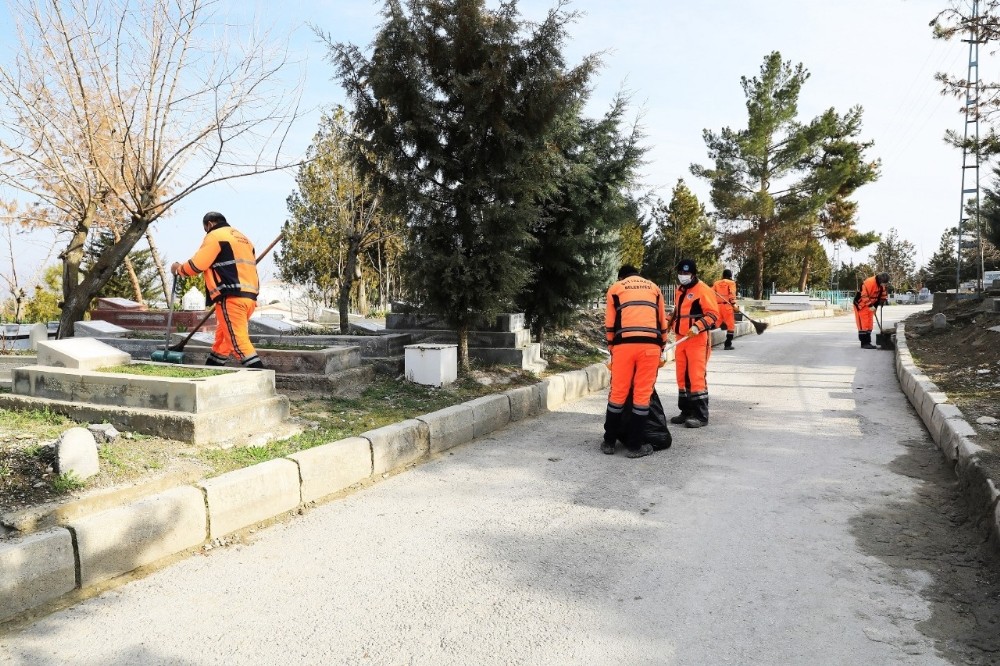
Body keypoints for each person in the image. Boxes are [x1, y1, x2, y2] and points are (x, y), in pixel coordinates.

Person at [171, 212, 264, 369]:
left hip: (231, 297)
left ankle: (264, 377)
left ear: (209, 224)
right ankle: (211, 368)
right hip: (249, 298)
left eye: (205, 228)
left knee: (238, 342)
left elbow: (197, 265)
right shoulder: (244, 238)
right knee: (223, 340)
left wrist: (179, 269)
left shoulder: (215, 236)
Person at [602, 264, 669, 458]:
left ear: (622, 276)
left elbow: (610, 322)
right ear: (638, 275)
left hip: (624, 346)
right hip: (650, 347)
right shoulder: (654, 288)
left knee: (618, 393)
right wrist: (662, 346)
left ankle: (609, 442)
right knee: (642, 396)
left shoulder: (616, 288)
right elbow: (662, 321)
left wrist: (612, 347)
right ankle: (634, 447)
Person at [669, 259, 720, 428]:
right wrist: (667, 323)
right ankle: (686, 411)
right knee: (682, 377)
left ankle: (700, 415)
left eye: (687, 273)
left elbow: (713, 315)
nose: (683, 276)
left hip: (696, 339)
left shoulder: (703, 290)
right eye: (681, 273)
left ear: (693, 274)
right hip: (680, 339)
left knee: (696, 377)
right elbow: (677, 312)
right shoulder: (680, 290)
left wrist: (698, 326)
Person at [853, 272, 889, 349]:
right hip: (861, 305)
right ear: (880, 280)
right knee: (864, 324)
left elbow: (883, 293)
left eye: (885, 284)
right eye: (883, 283)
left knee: (869, 324)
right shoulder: (869, 282)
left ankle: (868, 342)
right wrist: (870, 305)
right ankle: (864, 343)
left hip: (871, 305)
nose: (884, 285)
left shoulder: (881, 284)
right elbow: (864, 295)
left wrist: (883, 300)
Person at [712, 268, 738, 350]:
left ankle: (706, 342)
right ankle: (728, 344)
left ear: (723, 275)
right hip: (727, 307)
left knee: (715, 323)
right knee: (730, 326)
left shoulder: (716, 283)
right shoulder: (731, 283)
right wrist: (734, 304)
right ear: (730, 276)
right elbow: (732, 293)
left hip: (717, 306)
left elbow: (711, 293)